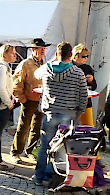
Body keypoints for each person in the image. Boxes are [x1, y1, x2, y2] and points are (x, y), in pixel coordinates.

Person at [33, 42, 88, 186]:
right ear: (71, 55)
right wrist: (79, 112)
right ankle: (59, 176)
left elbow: (36, 74)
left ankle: (39, 177)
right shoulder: (78, 73)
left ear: (57, 54)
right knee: (66, 147)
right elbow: (83, 96)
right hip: (69, 114)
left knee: (45, 146)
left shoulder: (46, 69)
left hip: (50, 112)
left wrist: (53, 61)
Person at [10, 38, 49, 164]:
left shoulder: (45, 64)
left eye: (44, 49)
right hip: (28, 100)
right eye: (40, 49)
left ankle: (30, 151)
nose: (43, 51)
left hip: (41, 100)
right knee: (23, 127)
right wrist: (21, 98)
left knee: (37, 127)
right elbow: (17, 82)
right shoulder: (26, 64)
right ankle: (16, 152)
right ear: (34, 50)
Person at [72, 43, 97, 126]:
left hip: (86, 102)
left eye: (87, 56)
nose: (86, 59)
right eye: (83, 56)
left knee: (88, 126)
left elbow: (94, 87)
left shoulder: (88, 68)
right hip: (71, 103)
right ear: (76, 55)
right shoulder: (69, 67)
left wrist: (91, 81)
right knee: (69, 127)